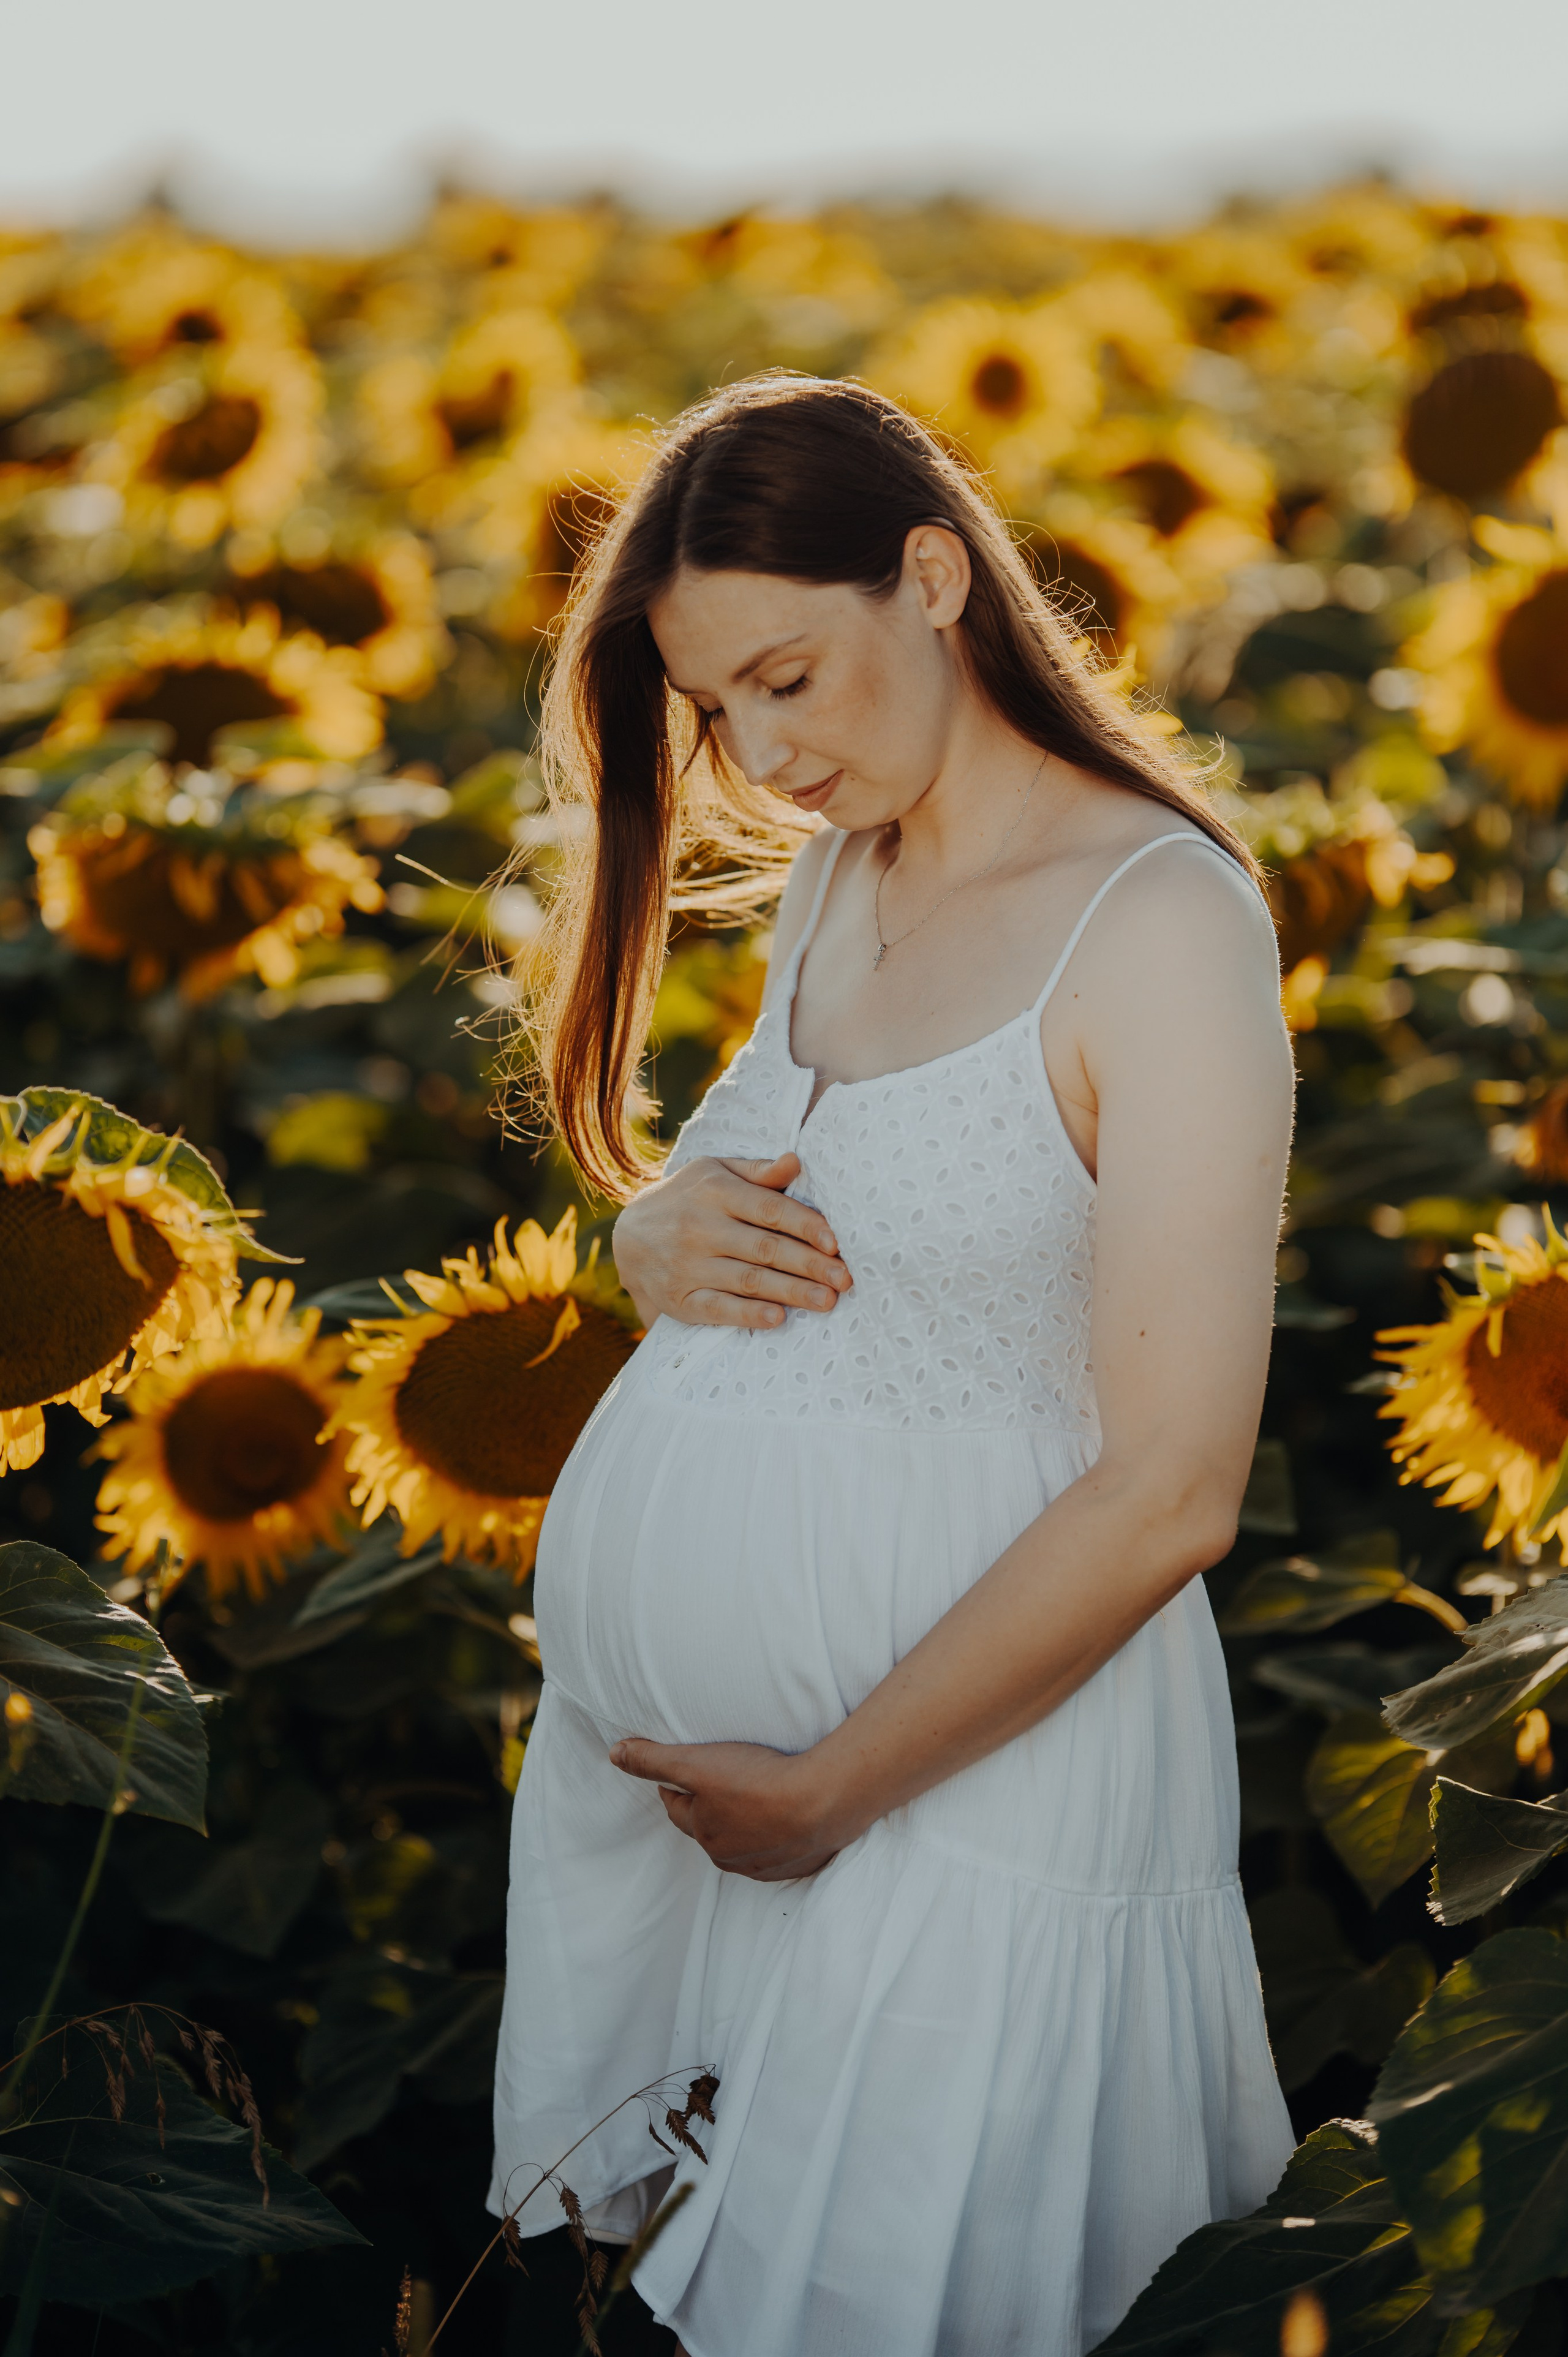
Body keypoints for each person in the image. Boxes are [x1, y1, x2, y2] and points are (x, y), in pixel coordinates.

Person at [488, 373, 1296, 2357]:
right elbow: (782, 1213)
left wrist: (830, 1790)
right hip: (736, 1839)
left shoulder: (1160, 926)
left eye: (787, 679)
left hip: (968, 1812)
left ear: (934, 576)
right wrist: (646, 1236)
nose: (762, 758)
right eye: (717, 712)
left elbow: (1175, 1490)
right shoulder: (844, 877)